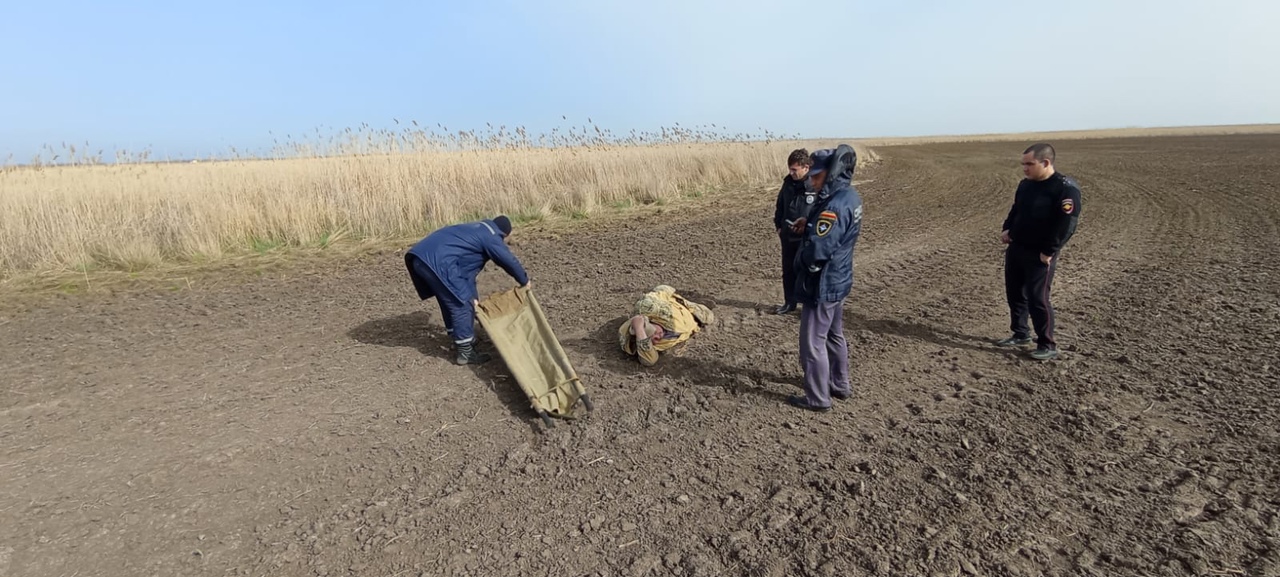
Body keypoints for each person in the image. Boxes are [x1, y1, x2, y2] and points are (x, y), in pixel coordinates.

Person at [789, 144, 863, 412]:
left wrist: (802, 261)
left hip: (823, 284)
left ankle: (818, 398)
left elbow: (820, 248)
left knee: (812, 344)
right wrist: (807, 223)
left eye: (817, 175)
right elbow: (828, 229)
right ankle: (840, 385)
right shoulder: (849, 196)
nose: (812, 180)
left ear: (830, 174)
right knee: (834, 335)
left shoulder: (833, 206)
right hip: (839, 280)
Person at [404, 215, 530, 365]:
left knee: (451, 297)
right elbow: (507, 260)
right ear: (504, 234)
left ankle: (458, 336)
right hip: (439, 262)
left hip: (420, 259)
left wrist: (473, 297)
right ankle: (465, 352)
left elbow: (465, 274)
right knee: (462, 303)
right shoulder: (491, 236)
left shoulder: (475, 229)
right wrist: (524, 280)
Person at [997, 143, 1082, 361]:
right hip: (1017, 248)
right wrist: (1007, 228)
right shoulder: (1026, 185)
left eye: (1029, 164)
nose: (1024, 168)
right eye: (1023, 164)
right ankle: (1020, 334)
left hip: (1040, 254)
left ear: (1045, 163)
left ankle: (1047, 343)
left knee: (1038, 298)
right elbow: (1016, 209)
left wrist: (1049, 251)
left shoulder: (1065, 189)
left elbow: (1067, 225)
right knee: (1015, 294)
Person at [617, 285, 715, 366]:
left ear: (651, 321)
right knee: (709, 317)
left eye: (654, 332)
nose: (658, 337)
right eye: (653, 340)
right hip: (693, 324)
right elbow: (649, 361)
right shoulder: (652, 346)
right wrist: (639, 330)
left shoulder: (654, 309)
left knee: (708, 316)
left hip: (686, 309)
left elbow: (655, 296)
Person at [772, 149, 816, 315]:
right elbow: (780, 206)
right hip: (788, 235)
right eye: (790, 169)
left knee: (806, 270)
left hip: (807, 236)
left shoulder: (814, 184)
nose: (791, 173)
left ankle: (808, 305)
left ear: (805, 167)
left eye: (794, 170)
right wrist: (779, 225)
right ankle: (789, 302)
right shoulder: (787, 183)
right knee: (788, 270)